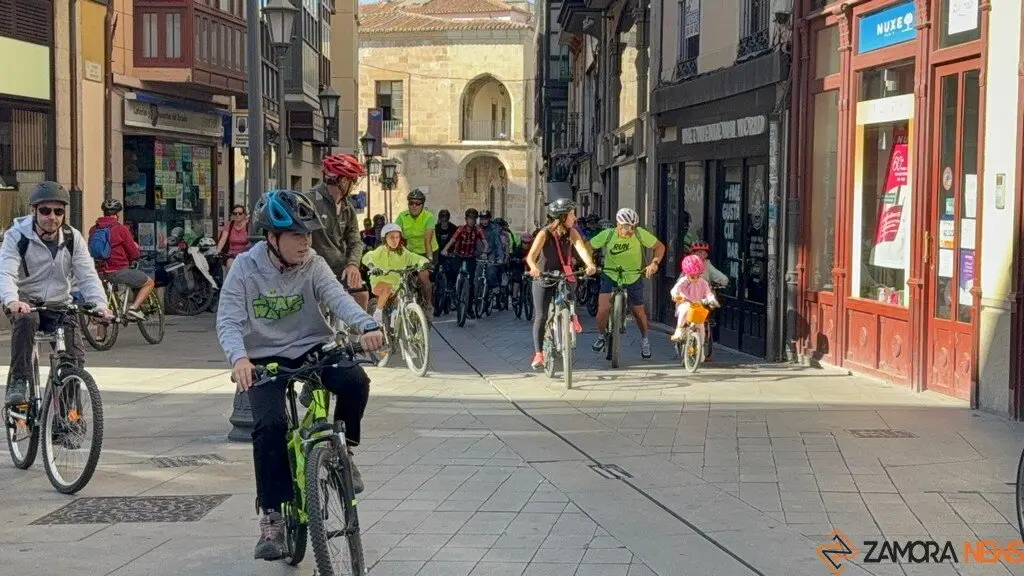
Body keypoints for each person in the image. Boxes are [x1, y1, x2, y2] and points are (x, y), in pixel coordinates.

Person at [215, 189, 384, 562]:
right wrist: (239, 359)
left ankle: (346, 453)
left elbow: (338, 298)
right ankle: (272, 518)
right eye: (296, 235)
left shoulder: (313, 263)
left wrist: (367, 325)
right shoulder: (245, 267)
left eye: (308, 234)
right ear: (272, 239)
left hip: (312, 345)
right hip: (263, 357)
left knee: (356, 381)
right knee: (270, 426)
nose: (305, 242)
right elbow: (227, 319)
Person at [0, 182, 113, 406]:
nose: (52, 217)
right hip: (26, 302)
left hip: (60, 304)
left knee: (74, 359)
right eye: (45, 211)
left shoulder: (72, 238)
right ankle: (19, 381)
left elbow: (87, 275)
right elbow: (6, 271)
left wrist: (100, 305)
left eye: (58, 211)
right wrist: (12, 300)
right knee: (27, 319)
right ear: (33, 210)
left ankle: (68, 419)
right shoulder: (17, 237)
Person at [524, 199, 597, 369]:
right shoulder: (545, 233)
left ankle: (571, 316)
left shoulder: (572, 232)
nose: (575, 218)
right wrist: (534, 268)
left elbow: (581, 250)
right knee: (541, 315)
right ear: (562, 217)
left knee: (571, 288)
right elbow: (531, 256)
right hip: (545, 275)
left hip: (564, 273)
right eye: (572, 214)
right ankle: (539, 354)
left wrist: (590, 265)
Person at [588, 208, 666, 360]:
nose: (630, 230)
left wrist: (654, 263)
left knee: (638, 313)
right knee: (603, 310)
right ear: (618, 224)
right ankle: (601, 336)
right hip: (611, 274)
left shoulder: (639, 233)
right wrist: (589, 262)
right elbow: (587, 245)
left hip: (633, 275)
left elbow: (659, 247)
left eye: (633, 227)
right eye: (626, 227)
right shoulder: (608, 234)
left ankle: (645, 340)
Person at [310, 152, 369, 310]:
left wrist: (353, 264)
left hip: (340, 268)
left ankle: (355, 335)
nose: (354, 185)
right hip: (314, 269)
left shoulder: (347, 207)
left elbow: (355, 241)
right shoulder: (311, 201)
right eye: (353, 180)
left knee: (362, 295)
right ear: (343, 181)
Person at [88, 198, 155, 320]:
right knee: (149, 283)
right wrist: (135, 255)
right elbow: (134, 253)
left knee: (104, 300)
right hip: (117, 271)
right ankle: (134, 308)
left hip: (99, 272)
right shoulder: (121, 229)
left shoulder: (93, 229)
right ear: (117, 215)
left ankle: (100, 336)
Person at [362, 224, 431, 324]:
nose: (395, 240)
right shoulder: (381, 250)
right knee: (388, 288)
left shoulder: (403, 251)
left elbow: (414, 257)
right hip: (380, 284)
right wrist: (372, 266)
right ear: (385, 239)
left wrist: (424, 263)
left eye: (397, 237)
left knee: (403, 297)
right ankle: (377, 314)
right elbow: (368, 256)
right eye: (391, 237)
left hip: (396, 286)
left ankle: (396, 323)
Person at [441, 208, 488, 317]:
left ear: (476, 220)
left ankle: (469, 308)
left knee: (471, 283)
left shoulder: (478, 230)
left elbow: (485, 242)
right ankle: (452, 290)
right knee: (454, 271)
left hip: (471, 257)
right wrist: (445, 249)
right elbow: (452, 240)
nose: (471, 221)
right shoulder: (460, 229)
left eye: (474, 219)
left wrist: (485, 252)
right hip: (459, 255)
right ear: (466, 219)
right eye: (469, 219)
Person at [394, 189, 436, 309]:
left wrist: (429, 260)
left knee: (423, 276)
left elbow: (427, 240)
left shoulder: (429, 217)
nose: (414, 206)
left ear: (422, 205)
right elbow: (394, 235)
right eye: (411, 203)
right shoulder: (403, 216)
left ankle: (428, 303)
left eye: (417, 203)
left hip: (426, 251)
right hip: (410, 252)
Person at [671, 254, 718, 342]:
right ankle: (679, 329)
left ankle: (701, 348)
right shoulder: (684, 281)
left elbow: (708, 293)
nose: (696, 279)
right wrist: (676, 295)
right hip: (685, 303)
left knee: (701, 326)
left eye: (698, 276)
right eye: (692, 277)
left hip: (697, 307)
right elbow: (676, 288)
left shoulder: (703, 282)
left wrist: (711, 299)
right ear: (687, 274)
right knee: (685, 309)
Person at [478, 210, 510, 301]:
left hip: (491, 253)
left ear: (489, 219)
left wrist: (500, 258)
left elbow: (499, 244)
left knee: (490, 269)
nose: (484, 221)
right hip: (479, 253)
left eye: (486, 219)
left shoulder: (494, 229)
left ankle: (495, 287)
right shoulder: (477, 228)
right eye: (482, 219)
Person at [215, 204, 252, 271]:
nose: (237, 215)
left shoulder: (248, 225)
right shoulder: (229, 225)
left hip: (245, 255)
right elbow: (223, 239)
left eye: (240, 213)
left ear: (244, 215)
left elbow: (250, 242)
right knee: (231, 268)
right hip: (232, 254)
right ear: (232, 215)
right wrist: (217, 251)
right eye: (235, 213)